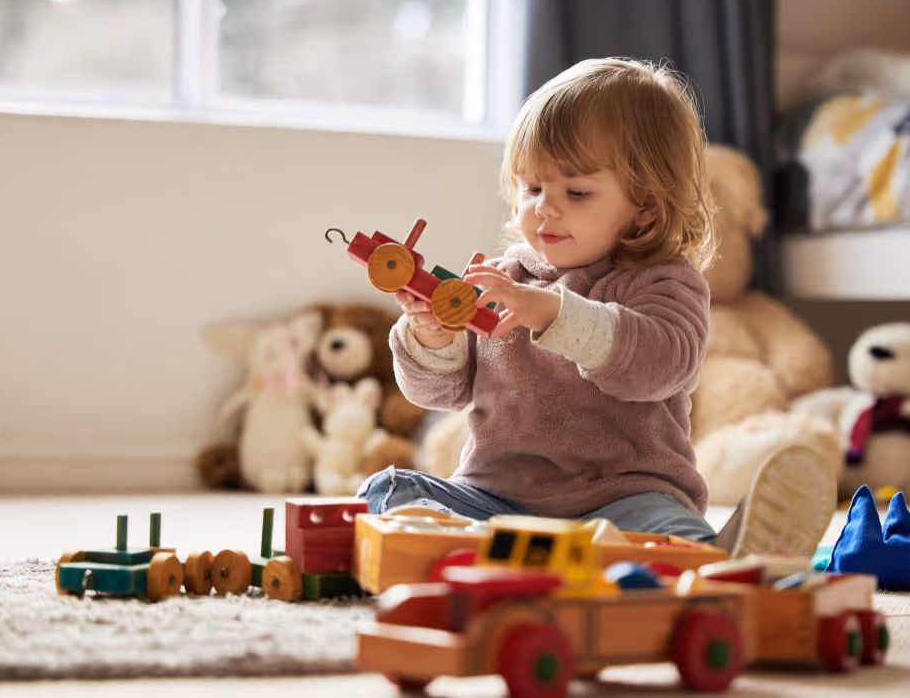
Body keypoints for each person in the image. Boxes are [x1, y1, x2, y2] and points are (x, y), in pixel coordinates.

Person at [358, 58, 837, 558]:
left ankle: (721, 559)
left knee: (667, 533)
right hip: (497, 497)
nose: (544, 207)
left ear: (646, 204)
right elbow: (441, 392)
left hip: (621, 501)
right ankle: (486, 550)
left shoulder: (664, 281)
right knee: (387, 492)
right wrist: (434, 335)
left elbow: (658, 366)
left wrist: (553, 314)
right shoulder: (506, 279)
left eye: (578, 191)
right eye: (532, 187)